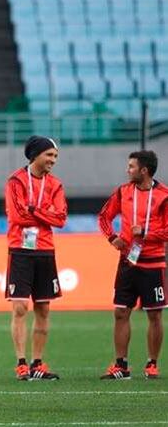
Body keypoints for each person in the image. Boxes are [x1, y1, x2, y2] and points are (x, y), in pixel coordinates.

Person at [98, 150, 167, 379]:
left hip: (154, 263)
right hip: (128, 262)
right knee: (120, 312)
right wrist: (112, 237)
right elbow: (104, 217)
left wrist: (146, 233)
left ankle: (152, 363)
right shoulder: (123, 191)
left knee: (154, 315)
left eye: (131, 167)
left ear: (144, 170)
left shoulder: (164, 195)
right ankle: (121, 365)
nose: (127, 170)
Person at [4, 135, 67, 381]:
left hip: (45, 251)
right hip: (20, 250)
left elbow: (61, 218)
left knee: (43, 308)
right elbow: (18, 216)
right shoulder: (16, 181)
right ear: (35, 155)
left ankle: (37, 363)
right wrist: (44, 212)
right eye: (49, 155)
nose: (53, 160)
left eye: (55, 156)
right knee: (20, 307)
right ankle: (21, 363)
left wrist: (33, 209)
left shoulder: (56, 185)